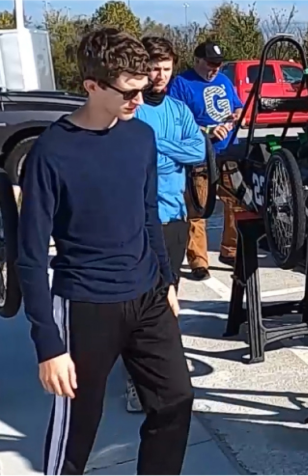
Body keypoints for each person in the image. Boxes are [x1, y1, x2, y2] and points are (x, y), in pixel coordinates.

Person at [17, 28, 194, 475]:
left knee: (175, 400)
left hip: (148, 296)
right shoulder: (51, 154)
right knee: (79, 427)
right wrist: (48, 345)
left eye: (144, 87)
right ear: (92, 86)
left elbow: (148, 212)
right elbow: (32, 255)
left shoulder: (140, 138)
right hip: (87, 304)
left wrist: (166, 280)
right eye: (130, 91)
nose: (141, 98)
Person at [124, 36, 206, 412]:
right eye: (154, 68)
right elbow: (128, 149)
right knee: (140, 297)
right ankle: (133, 379)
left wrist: (157, 145)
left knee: (170, 291)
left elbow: (198, 150)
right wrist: (163, 147)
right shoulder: (131, 109)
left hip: (174, 214)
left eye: (167, 68)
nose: (160, 75)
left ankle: (164, 366)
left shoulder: (178, 109)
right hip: (138, 216)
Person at [169, 40, 243, 279]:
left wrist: (236, 115)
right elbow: (177, 122)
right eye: (210, 64)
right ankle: (198, 260)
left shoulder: (224, 80)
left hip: (228, 150)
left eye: (218, 65)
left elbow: (238, 106)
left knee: (235, 203)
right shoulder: (181, 84)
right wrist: (207, 131)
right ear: (197, 60)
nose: (215, 70)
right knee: (198, 207)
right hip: (200, 154)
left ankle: (230, 250)